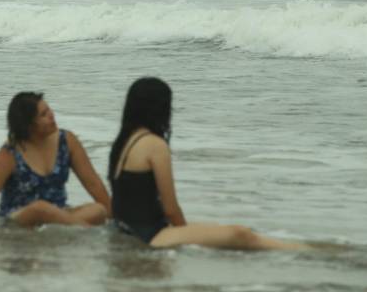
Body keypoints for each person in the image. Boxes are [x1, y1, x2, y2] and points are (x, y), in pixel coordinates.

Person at [109, 77, 306, 250]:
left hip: (129, 229)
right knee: (242, 234)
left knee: (223, 230)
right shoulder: (154, 144)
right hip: (150, 235)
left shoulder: (126, 141)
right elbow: (171, 209)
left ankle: (296, 248)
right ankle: (303, 252)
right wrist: (184, 236)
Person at [0, 92, 110, 227]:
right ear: (28, 125)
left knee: (98, 210)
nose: (51, 115)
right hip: (19, 220)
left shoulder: (67, 141)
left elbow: (94, 184)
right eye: (43, 114)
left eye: (49, 110)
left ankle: (68, 227)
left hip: (60, 214)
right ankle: (81, 228)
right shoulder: (9, 154)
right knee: (40, 208)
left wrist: (116, 221)